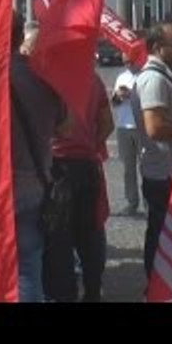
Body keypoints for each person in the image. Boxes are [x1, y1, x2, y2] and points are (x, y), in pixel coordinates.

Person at [9, 11, 68, 302]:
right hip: (33, 183)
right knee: (28, 269)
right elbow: (65, 128)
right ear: (21, 36)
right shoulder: (44, 76)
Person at [43, 69, 112, 303]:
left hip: (56, 167)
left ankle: (66, 295)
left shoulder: (46, 77)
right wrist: (90, 145)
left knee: (59, 239)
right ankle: (93, 290)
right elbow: (107, 124)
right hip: (87, 165)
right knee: (91, 232)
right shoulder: (92, 78)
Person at [131, 23, 172, 277]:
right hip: (162, 173)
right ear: (157, 48)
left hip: (166, 170)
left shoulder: (161, 75)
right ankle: (157, 288)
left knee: (167, 234)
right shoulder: (154, 79)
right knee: (161, 235)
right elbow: (154, 128)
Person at [112, 52, 142, 216]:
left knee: (145, 167)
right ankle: (132, 202)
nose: (127, 65)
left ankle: (149, 202)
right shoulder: (121, 77)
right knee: (128, 168)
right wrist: (118, 96)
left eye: (130, 61)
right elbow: (114, 103)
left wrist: (132, 95)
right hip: (123, 126)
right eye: (125, 62)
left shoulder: (143, 75)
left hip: (140, 126)